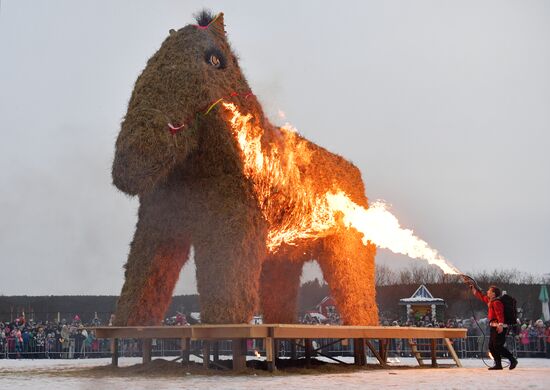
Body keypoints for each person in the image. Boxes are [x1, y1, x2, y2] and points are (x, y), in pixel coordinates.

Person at [470, 284, 518, 370]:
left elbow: (500, 315)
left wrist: (500, 325)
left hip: (499, 327)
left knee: (498, 346)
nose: (487, 292)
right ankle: (498, 364)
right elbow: (481, 296)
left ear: (494, 293)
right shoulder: (490, 301)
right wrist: (474, 289)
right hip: (493, 326)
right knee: (492, 346)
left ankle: (512, 360)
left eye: (489, 291)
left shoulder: (497, 302)